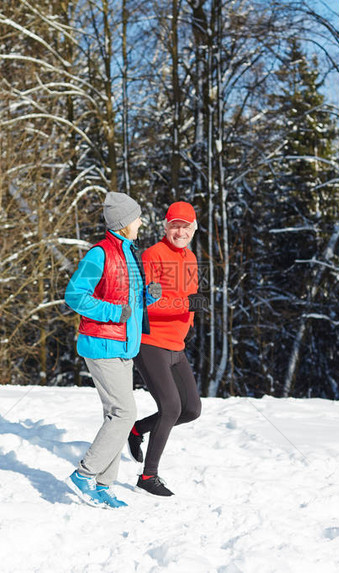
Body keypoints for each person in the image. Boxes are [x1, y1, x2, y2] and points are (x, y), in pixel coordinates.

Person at [63, 191, 161, 508]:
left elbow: (128, 301)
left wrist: (148, 297)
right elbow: (75, 295)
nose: (141, 222)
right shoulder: (100, 254)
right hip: (102, 344)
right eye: (137, 217)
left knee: (114, 414)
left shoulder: (129, 254)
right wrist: (111, 312)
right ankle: (84, 474)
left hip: (123, 346)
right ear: (122, 223)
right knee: (125, 414)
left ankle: (103, 484)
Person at [129, 201, 207, 497]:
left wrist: (188, 321)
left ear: (194, 229)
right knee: (171, 407)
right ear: (165, 226)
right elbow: (144, 305)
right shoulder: (152, 256)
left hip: (177, 345)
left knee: (191, 409)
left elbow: (190, 296)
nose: (180, 231)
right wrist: (184, 306)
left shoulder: (191, 259)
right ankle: (148, 477)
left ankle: (136, 430)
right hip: (151, 343)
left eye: (186, 227)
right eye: (175, 225)